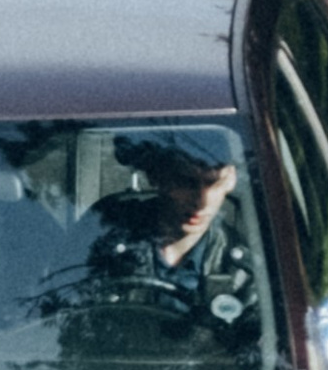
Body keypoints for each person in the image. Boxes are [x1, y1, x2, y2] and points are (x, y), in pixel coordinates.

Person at [82, 135, 260, 330]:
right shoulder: (102, 235)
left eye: (212, 183)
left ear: (230, 180)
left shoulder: (241, 268)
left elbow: (253, 347)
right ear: (157, 177)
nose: (202, 201)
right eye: (186, 182)